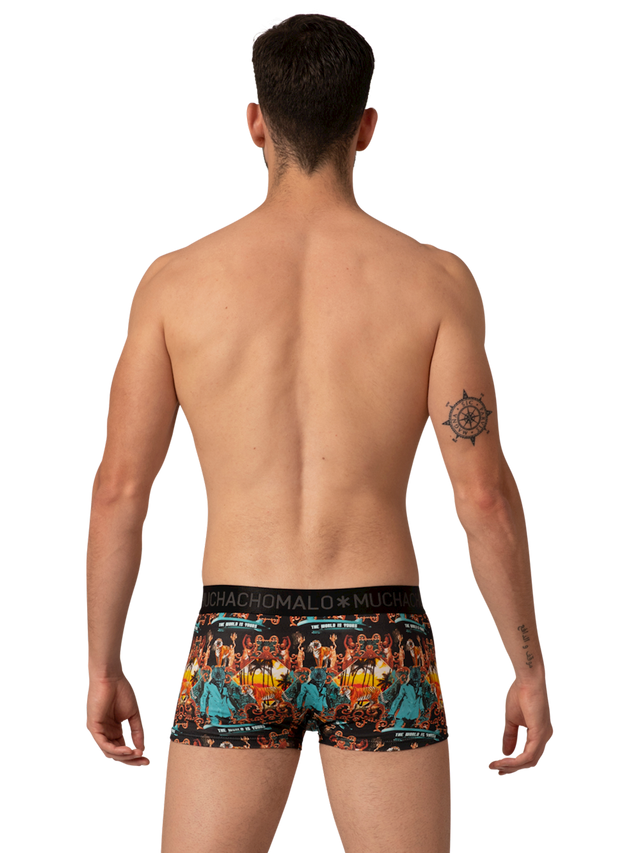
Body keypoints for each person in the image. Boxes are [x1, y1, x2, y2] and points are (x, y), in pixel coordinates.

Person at [83, 10, 555, 853]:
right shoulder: (437, 280)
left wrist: (103, 664)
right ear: (367, 126)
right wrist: (528, 667)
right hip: (382, 636)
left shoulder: (174, 282)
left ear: (253, 121)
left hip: (236, 636)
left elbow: (121, 490)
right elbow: (482, 497)